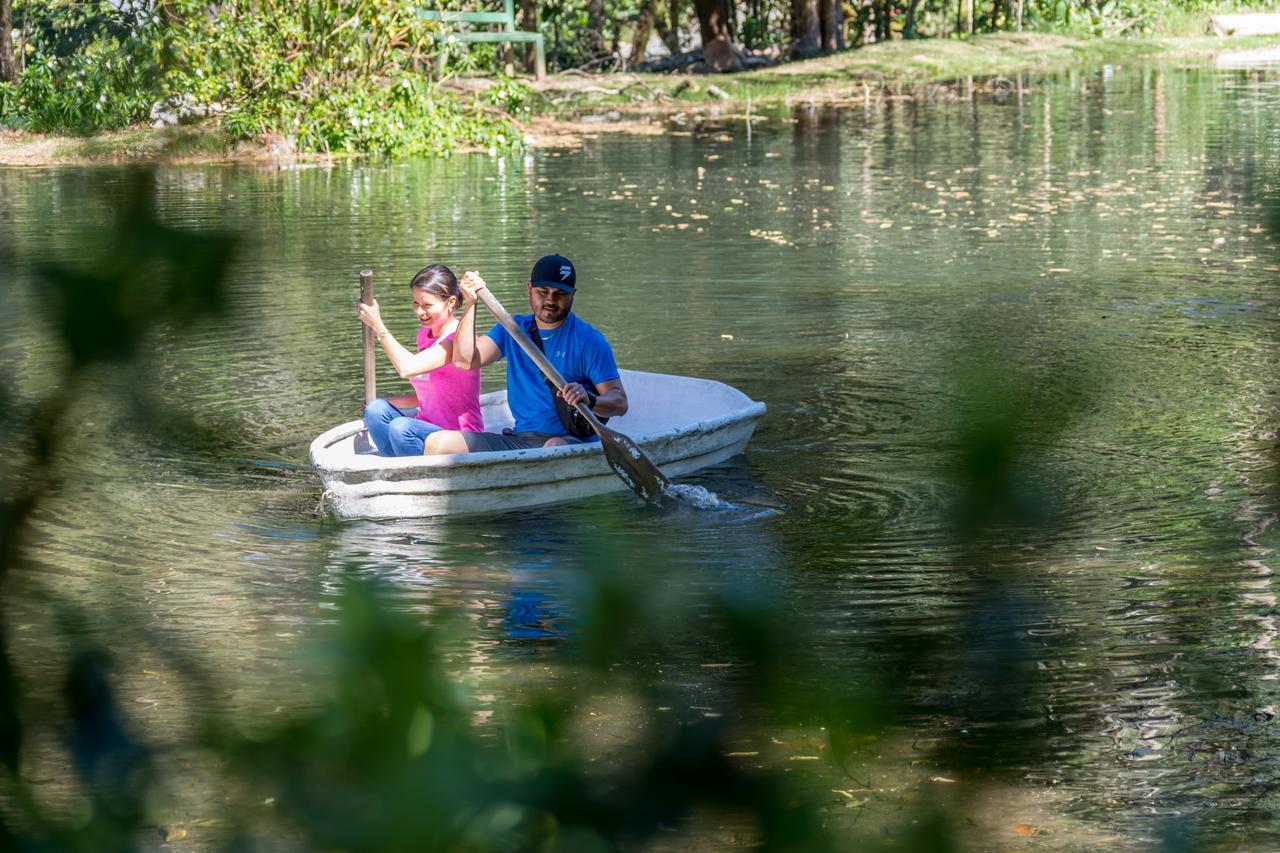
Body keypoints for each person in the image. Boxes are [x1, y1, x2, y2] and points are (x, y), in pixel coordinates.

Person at [421, 254, 628, 454]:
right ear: (529, 288)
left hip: (568, 441)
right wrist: (471, 303)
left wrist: (590, 399)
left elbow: (619, 402)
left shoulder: (589, 340)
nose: (550, 300)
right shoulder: (512, 329)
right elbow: (464, 360)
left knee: (554, 446)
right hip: (519, 439)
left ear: (573, 293)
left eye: (560, 294)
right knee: (438, 443)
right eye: (543, 291)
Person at [357, 264, 483, 456]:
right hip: (423, 428)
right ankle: (396, 466)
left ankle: (410, 472)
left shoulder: (456, 339)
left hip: (457, 437)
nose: (419, 312)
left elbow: (407, 368)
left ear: (450, 302)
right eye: (415, 303)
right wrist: (387, 402)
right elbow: (429, 395)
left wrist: (377, 325)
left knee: (401, 427)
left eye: (427, 305)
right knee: (375, 409)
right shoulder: (424, 334)